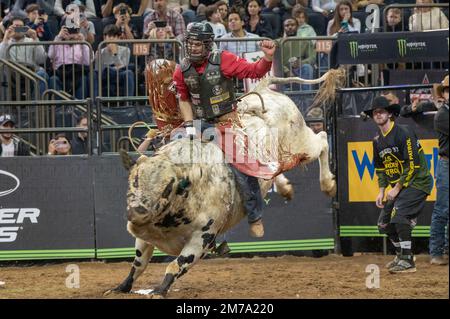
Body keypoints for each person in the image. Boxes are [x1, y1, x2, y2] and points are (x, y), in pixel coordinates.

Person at [173, 22, 276, 237]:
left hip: (226, 122)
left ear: (208, 45)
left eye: (198, 44)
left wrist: (267, 58)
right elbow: (183, 98)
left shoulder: (225, 60)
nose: (192, 48)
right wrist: (190, 128)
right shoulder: (181, 69)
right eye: (190, 43)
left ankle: (255, 215)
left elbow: (254, 71)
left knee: (242, 167)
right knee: (175, 159)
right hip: (199, 124)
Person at [362, 96, 434, 273]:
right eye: (375, 113)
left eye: (382, 111)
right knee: (383, 225)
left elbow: (412, 164)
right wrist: (381, 191)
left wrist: (396, 188)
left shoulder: (404, 132)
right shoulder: (377, 141)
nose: (378, 115)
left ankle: (408, 260)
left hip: (418, 182)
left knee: (400, 217)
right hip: (400, 188)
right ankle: (401, 254)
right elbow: (380, 168)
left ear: (390, 114)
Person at [429, 75, 449, 265]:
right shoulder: (442, 115)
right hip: (446, 164)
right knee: (442, 209)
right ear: (444, 94)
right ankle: (436, 252)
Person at [95, 24, 134, 96]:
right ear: (104, 38)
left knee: (129, 72)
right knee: (104, 71)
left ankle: (128, 103)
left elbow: (123, 67)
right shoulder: (100, 52)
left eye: (114, 36)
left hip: (119, 74)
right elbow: (98, 70)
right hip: (105, 76)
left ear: (118, 38)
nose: (112, 39)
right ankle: (96, 103)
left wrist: (115, 54)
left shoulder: (126, 50)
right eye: (109, 36)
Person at [278, 17, 315, 91]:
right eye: (287, 25)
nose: (290, 27)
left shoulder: (305, 41)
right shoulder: (278, 42)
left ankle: (306, 98)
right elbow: (275, 60)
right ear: (284, 28)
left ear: (297, 27)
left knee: (307, 67)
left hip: (299, 69)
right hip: (282, 71)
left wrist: (300, 63)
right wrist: (287, 71)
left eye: (292, 25)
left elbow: (312, 57)